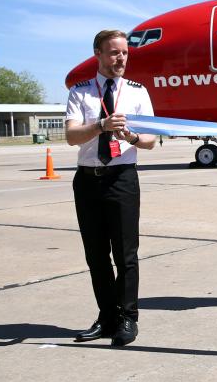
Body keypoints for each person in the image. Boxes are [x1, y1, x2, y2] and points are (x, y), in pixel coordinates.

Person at [65, 29, 156, 347]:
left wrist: (130, 137)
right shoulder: (80, 92)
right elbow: (72, 136)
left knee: (126, 254)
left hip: (122, 179)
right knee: (96, 255)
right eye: (114, 52)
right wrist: (100, 126)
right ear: (98, 55)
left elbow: (150, 142)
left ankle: (128, 317)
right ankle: (106, 317)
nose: (121, 58)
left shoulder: (137, 92)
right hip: (88, 180)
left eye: (125, 53)